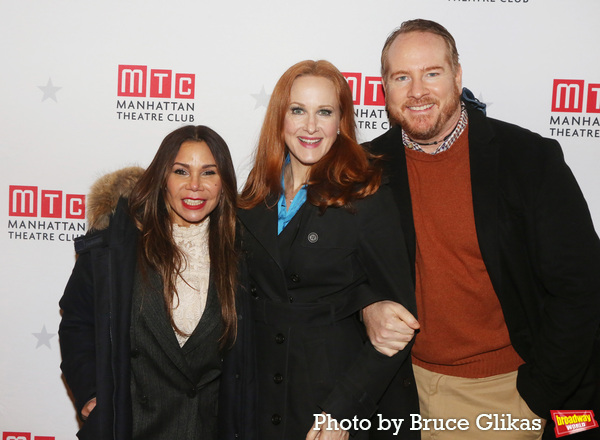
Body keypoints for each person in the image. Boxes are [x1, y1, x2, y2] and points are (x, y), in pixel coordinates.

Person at [363, 19, 600, 440]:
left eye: (431, 73)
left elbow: (581, 285)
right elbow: (333, 273)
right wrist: (366, 307)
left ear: (457, 76)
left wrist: (541, 393)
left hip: (500, 396)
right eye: (402, 77)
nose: (417, 91)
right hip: (395, 394)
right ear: (385, 87)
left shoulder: (528, 159)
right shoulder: (364, 168)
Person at [236, 60, 419, 440]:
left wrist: (344, 412)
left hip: (330, 400)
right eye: (298, 110)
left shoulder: (367, 195)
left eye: (324, 112)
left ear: (341, 122)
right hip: (257, 396)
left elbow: (396, 327)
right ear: (279, 118)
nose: (310, 126)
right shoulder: (254, 196)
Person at [58, 125, 239, 440]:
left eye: (208, 172)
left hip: (205, 430)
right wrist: (90, 393)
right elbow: (77, 320)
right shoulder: (116, 247)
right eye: (181, 171)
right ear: (162, 179)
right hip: (128, 427)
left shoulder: (242, 253)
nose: (194, 185)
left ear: (223, 183)